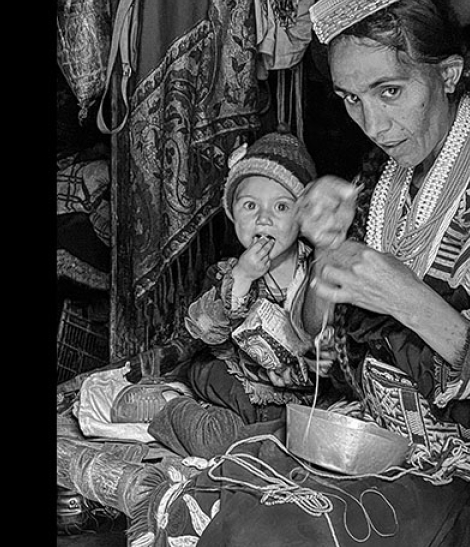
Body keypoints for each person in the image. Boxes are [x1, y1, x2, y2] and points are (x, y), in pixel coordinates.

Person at [125, 0, 470, 547]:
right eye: (350, 99)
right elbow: (337, 360)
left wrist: (409, 297)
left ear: (449, 73)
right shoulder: (379, 183)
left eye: (389, 91)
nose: (371, 122)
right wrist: (327, 264)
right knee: (213, 510)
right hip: (376, 442)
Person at [145, 131, 341, 460]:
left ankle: (250, 433)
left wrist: (321, 358)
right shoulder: (229, 271)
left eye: (281, 206)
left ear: (304, 217)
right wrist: (243, 278)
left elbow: (331, 334)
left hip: (297, 389)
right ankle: (170, 407)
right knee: (240, 428)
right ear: (234, 214)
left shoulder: (318, 268)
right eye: (250, 206)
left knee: (314, 434)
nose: (264, 218)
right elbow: (203, 328)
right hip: (232, 375)